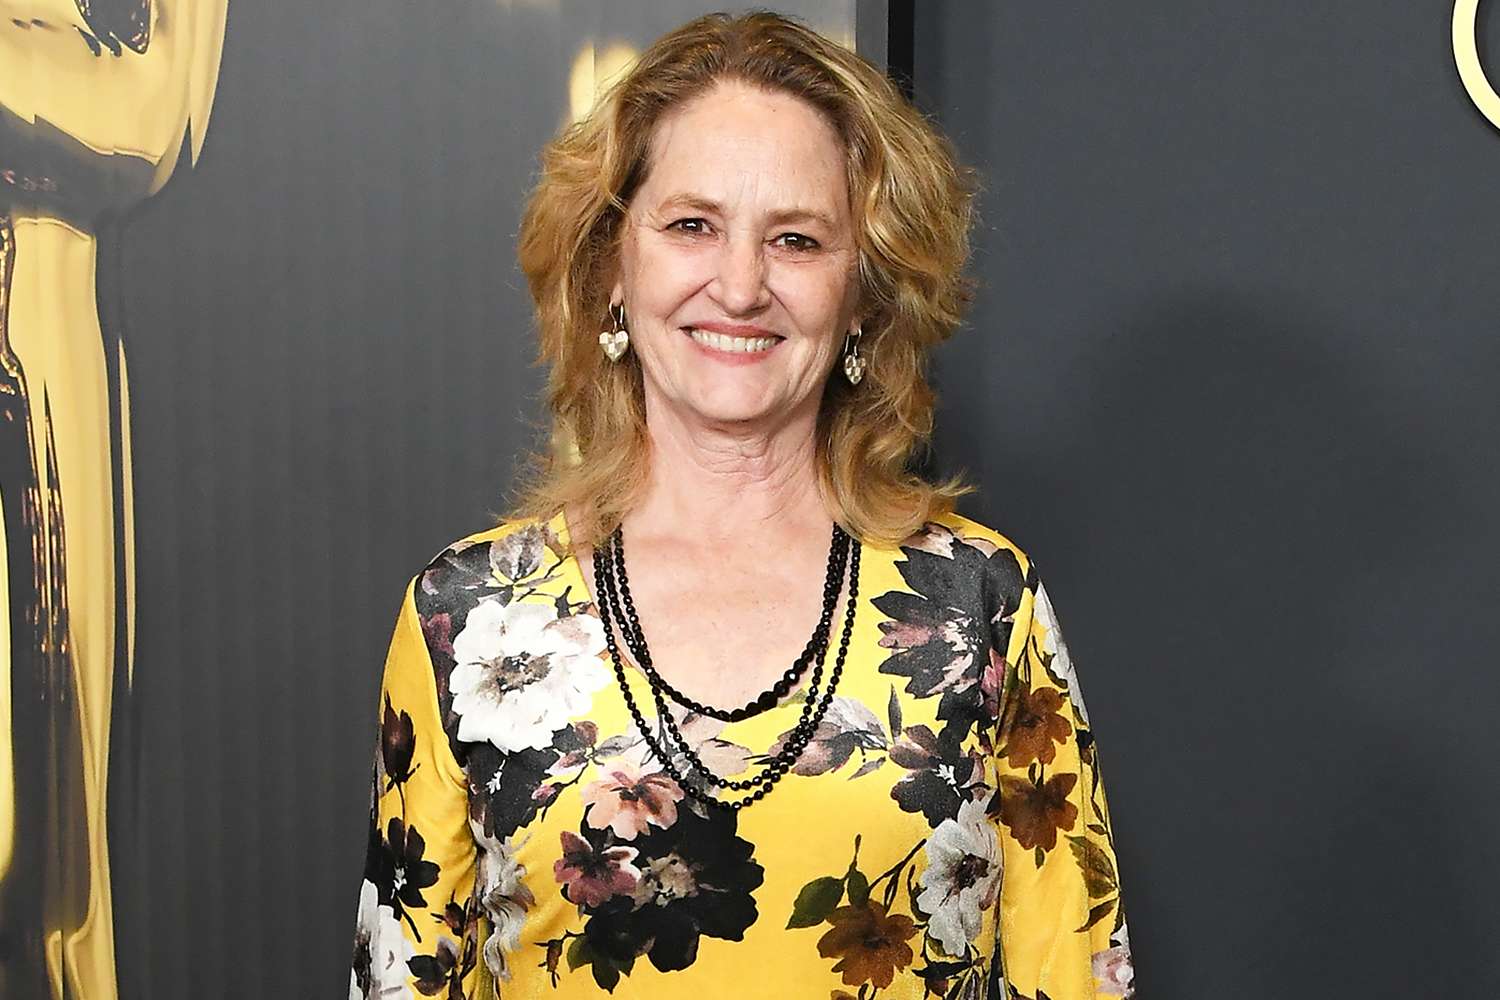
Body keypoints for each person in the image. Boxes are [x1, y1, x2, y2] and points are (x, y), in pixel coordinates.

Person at [349, 11, 1135, 1000]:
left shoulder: (983, 604)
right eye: (692, 226)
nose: (740, 285)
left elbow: (1074, 977)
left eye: (796, 239)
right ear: (611, 267)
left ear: (863, 294)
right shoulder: (463, 619)